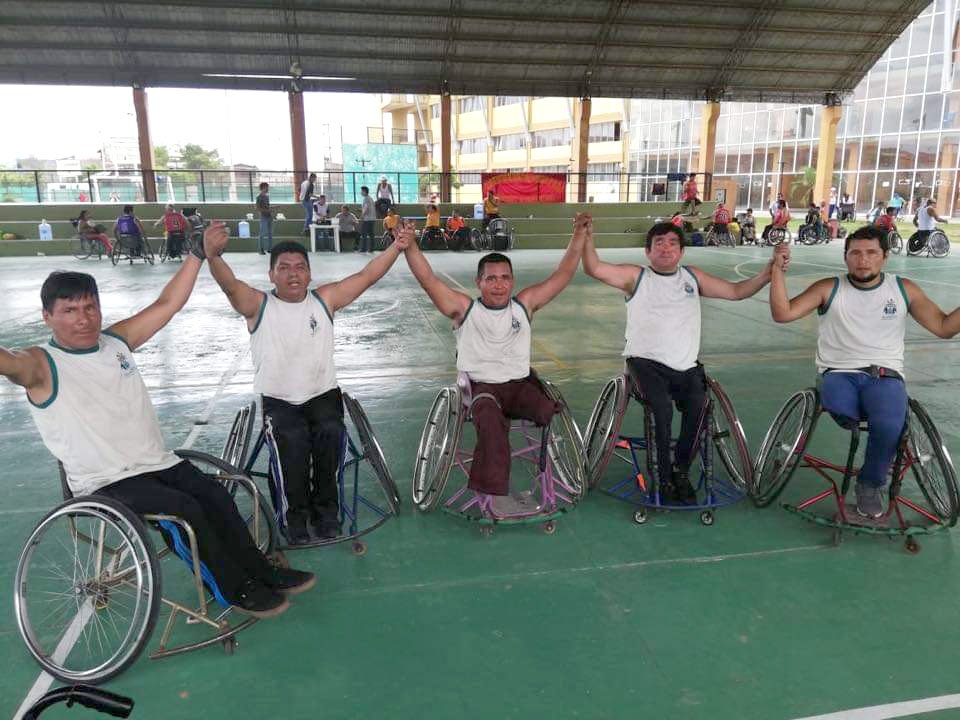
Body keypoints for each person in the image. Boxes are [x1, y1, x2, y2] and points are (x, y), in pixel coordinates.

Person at [0, 226, 314, 618]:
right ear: (48, 316)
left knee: (217, 496)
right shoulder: (39, 365)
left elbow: (168, 304)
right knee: (184, 509)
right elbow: (8, 362)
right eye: (69, 310)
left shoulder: (116, 342)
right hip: (106, 481)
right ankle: (234, 589)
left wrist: (198, 254)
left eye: (89, 307)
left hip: (158, 463)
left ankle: (260, 569)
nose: (83, 319)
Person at [205, 229, 414, 543]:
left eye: (299, 267)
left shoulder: (324, 299)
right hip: (279, 400)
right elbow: (229, 285)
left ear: (309, 273)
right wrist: (213, 256)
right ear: (271, 274)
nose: (293, 273)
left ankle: (327, 514)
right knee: (292, 444)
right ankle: (295, 519)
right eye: (284, 267)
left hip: (323, 395)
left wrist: (397, 247)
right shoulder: (258, 304)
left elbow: (368, 275)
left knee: (332, 436)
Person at [769, 225, 960, 518]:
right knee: (848, 411)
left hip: (885, 375)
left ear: (884, 256)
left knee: (886, 424)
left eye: (871, 253)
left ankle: (869, 484)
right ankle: (883, 445)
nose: (863, 260)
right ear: (845, 257)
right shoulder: (828, 287)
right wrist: (777, 272)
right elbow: (783, 313)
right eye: (855, 253)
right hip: (838, 373)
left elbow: (944, 327)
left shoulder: (903, 289)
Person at [582, 221, 777, 504]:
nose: (666, 247)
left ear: (682, 252)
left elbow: (736, 292)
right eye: (659, 242)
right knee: (661, 409)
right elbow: (594, 268)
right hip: (645, 364)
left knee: (700, 406)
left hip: (686, 366)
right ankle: (661, 477)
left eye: (673, 243)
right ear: (647, 251)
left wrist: (767, 274)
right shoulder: (636, 277)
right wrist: (587, 237)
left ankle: (680, 471)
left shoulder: (692, 277)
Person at [402, 214, 590, 499]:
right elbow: (429, 281)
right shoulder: (464, 309)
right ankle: (493, 495)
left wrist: (578, 234)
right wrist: (410, 246)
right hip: (482, 388)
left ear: (513, 280)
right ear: (479, 282)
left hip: (519, 383)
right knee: (491, 427)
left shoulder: (524, 305)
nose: (499, 285)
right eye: (491, 279)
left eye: (504, 278)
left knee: (548, 409)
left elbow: (562, 276)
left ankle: (554, 473)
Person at [256, 182, 273, 255]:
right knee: (262, 234)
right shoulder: (259, 197)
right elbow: (258, 208)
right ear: (263, 188)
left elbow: (268, 206)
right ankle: (261, 249)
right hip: (263, 217)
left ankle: (270, 248)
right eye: (266, 187)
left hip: (269, 216)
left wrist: (272, 209)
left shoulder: (267, 197)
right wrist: (267, 210)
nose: (267, 189)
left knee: (270, 233)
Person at [359, 186, 376, 253]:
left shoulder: (366, 199)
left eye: (361, 191)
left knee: (364, 233)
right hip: (372, 219)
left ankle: (364, 248)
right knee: (371, 234)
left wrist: (362, 216)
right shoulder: (370, 198)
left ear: (364, 191)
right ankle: (371, 248)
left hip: (367, 219)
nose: (361, 192)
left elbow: (366, 209)